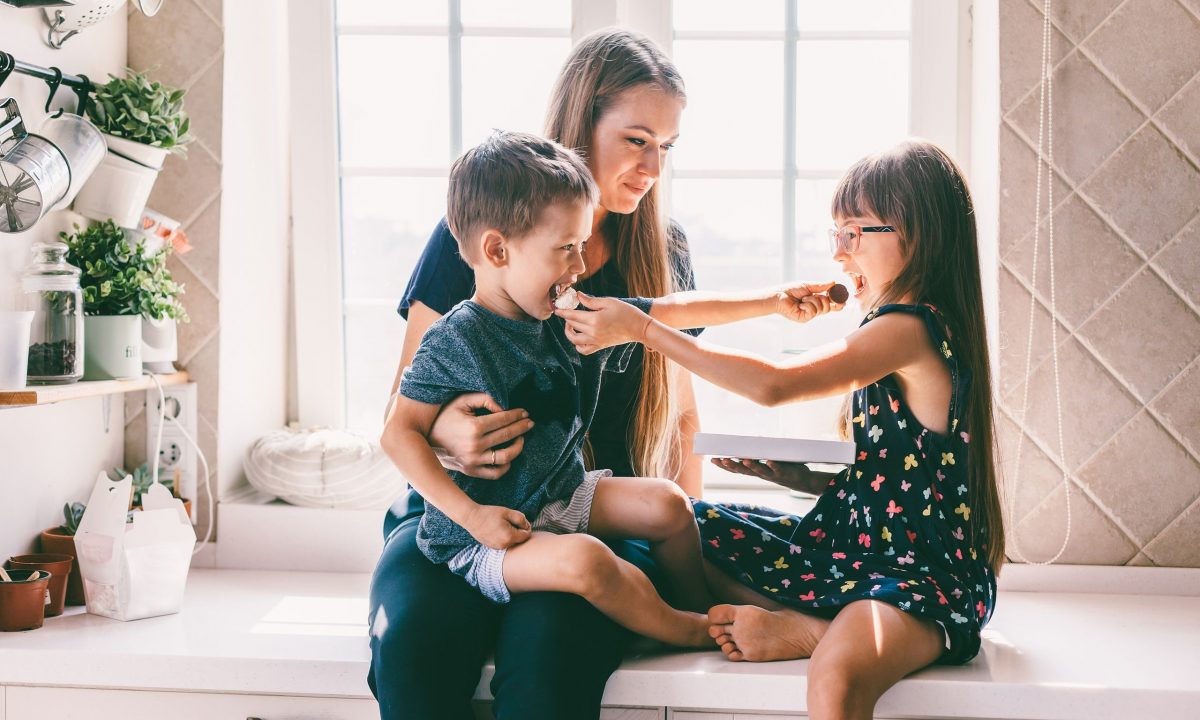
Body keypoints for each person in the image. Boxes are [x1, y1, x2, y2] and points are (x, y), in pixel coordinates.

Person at [560, 139, 1004, 720]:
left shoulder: (910, 327)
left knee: (837, 678)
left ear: (918, 236)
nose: (840, 254)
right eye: (836, 234)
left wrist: (643, 330)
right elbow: (911, 480)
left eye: (855, 233)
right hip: (864, 550)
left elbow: (774, 385)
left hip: (919, 574)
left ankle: (813, 628)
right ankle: (796, 621)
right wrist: (807, 480)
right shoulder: (910, 328)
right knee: (688, 524)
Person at [382, 130, 839, 651]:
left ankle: (698, 607)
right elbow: (398, 434)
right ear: (497, 250)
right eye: (565, 249)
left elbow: (672, 310)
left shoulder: (568, 317)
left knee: (669, 504)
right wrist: (472, 517)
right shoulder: (455, 339)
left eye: (580, 247)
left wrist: (772, 301)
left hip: (559, 496)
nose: (579, 266)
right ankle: (690, 632)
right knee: (588, 559)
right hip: (485, 536)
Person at [369, 29, 705, 720]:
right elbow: (404, 407)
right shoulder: (485, 233)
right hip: (455, 515)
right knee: (412, 649)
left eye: (667, 147)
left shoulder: (665, 250)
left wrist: (683, 577)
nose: (653, 166)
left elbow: (682, 419)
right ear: (583, 125)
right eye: (636, 140)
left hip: (585, 515)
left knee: (549, 660)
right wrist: (453, 434)